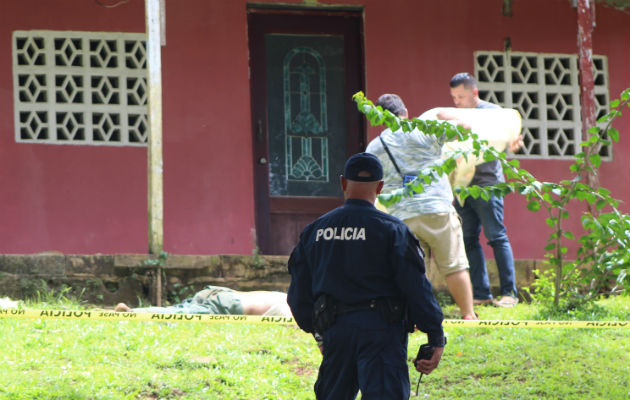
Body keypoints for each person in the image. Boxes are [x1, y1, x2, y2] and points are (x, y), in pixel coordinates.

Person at [287, 152, 445, 400]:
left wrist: (319, 333)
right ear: (380, 187)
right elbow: (416, 287)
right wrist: (434, 335)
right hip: (382, 333)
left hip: (335, 331)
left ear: (342, 183)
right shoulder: (393, 231)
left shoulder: (315, 231)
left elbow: (298, 294)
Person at [365, 93, 477, 320]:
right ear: (405, 113)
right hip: (437, 209)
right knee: (454, 265)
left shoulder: (374, 147)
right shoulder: (425, 129)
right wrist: (446, 114)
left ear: (380, 119)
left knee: (413, 271)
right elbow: (465, 128)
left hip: (402, 216)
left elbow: (371, 183)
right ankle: (468, 315)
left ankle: (416, 319)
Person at [448, 72, 521, 307]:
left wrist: (515, 145)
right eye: (453, 97)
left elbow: (512, 141)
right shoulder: (456, 116)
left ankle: (509, 293)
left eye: (460, 96)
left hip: (487, 184)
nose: (456, 101)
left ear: (474, 93)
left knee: (496, 236)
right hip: (461, 187)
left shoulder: (492, 113)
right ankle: (481, 293)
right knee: (468, 239)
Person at [114, 285, 292, 317]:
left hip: (218, 292)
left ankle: (139, 312)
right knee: (183, 313)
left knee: (179, 309)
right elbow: (293, 322)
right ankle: (134, 313)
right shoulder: (289, 305)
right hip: (230, 303)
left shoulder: (281, 296)